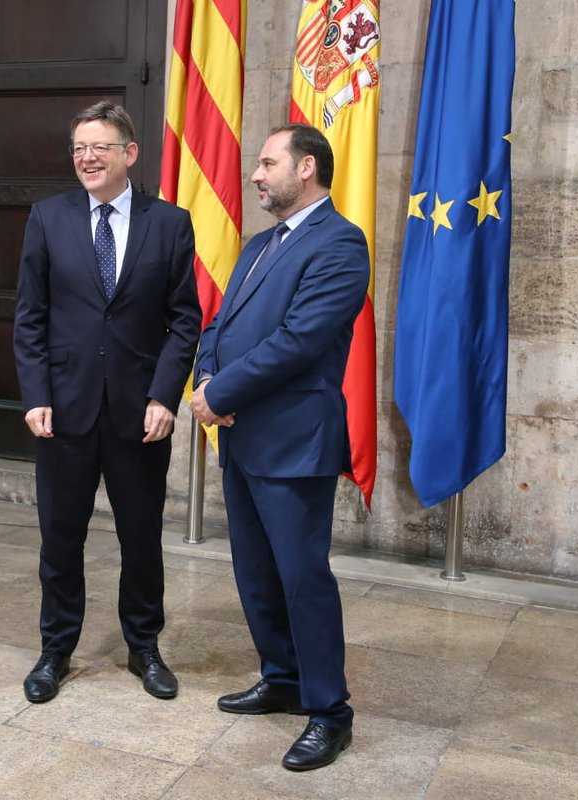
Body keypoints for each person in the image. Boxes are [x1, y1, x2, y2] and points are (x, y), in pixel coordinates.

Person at [190, 124, 369, 771]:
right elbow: (221, 323)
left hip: (294, 442)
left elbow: (300, 341)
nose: (258, 175)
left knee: (302, 579)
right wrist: (208, 377)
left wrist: (222, 393)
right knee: (256, 575)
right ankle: (283, 678)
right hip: (241, 439)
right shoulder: (258, 245)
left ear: (308, 167)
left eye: (268, 163)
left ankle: (330, 712)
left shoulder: (342, 245)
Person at [13, 102, 201, 704]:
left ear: (130, 153)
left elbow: (184, 322)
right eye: (78, 149)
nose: (87, 159)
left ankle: (144, 647)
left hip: (138, 415)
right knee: (59, 537)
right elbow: (30, 319)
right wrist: (36, 394)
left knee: (140, 537)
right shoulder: (47, 218)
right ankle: (55, 650)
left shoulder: (169, 223)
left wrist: (164, 397)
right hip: (63, 413)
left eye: (99, 148)